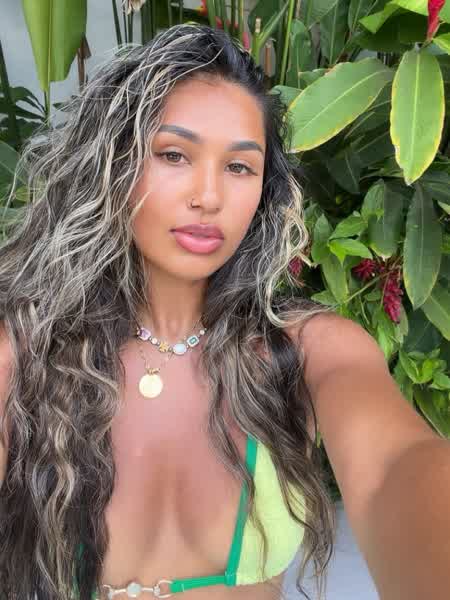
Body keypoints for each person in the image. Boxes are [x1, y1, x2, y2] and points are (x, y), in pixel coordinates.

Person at [0, 22, 448, 600]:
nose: (208, 197)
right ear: (110, 166)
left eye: (239, 167)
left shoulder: (310, 352)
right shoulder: (25, 354)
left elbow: (396, 468)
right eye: (173, 154)